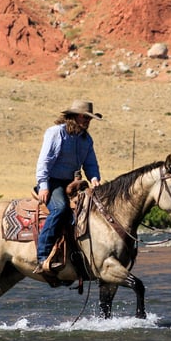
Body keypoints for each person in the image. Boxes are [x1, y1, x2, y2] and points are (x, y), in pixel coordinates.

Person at [34, 99, 102, 274]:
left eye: (89, 118)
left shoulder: (86, 139)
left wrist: (94, 178)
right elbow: (45, 161)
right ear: (75, 116)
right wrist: (43, 185)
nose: (88, 121)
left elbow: (90, 164)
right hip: (52, 182)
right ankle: (42, 257)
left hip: (72, 183)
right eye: (85, 117)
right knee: (60, 208)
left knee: (91, 209)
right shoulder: (57, 133)